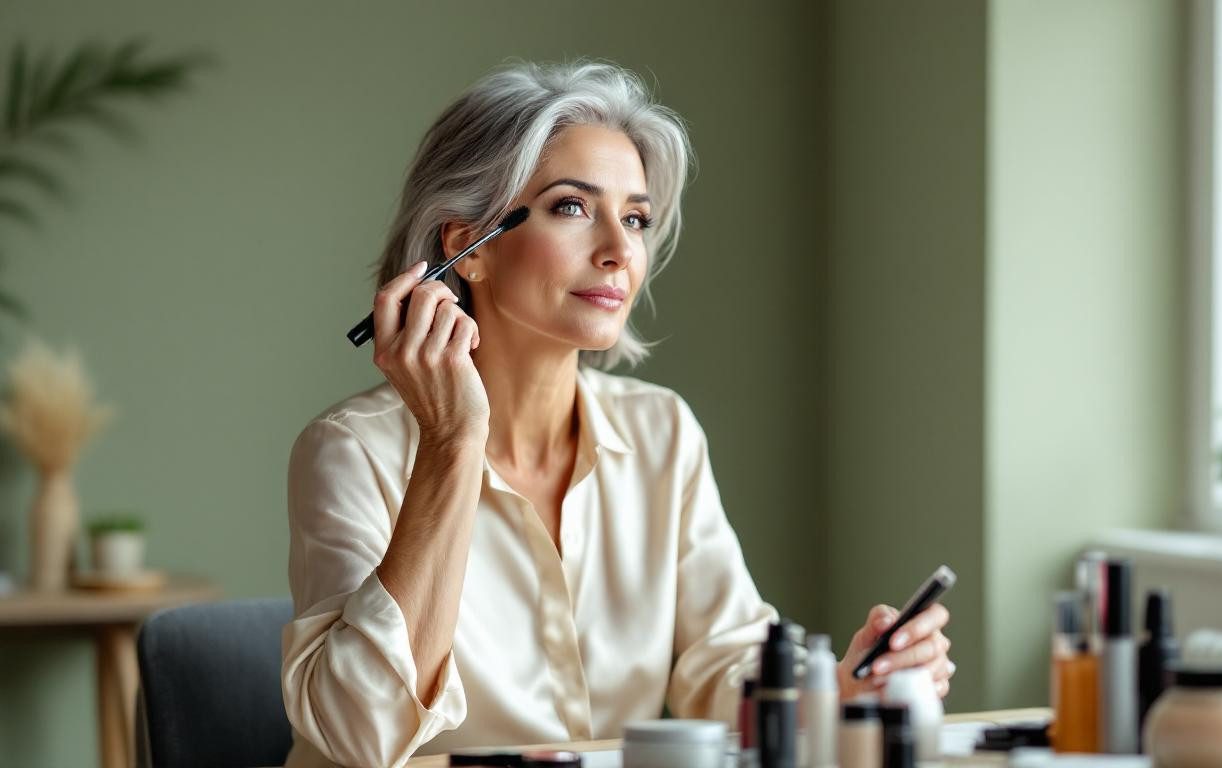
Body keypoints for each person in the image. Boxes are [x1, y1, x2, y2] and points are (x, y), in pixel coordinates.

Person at [280, 59, 953, 768]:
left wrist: (837, 690)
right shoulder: (351, 450)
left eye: (635, 218)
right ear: (465, 248)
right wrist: (451, 445)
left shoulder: (661, 431)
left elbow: (722, 660)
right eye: (572, 207)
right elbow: (359, 735)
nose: (620, 251)